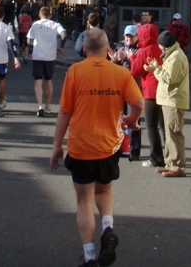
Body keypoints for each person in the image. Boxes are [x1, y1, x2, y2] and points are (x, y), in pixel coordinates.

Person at [50, 28, 144, 267]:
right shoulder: (119, 73)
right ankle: (108, 227)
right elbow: (139, 103)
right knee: (104, 192)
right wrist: (132, 120)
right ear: (107, 49)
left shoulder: (75, 72)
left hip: (81, 146)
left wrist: (56, 145)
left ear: (84, 48)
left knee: (84, 201)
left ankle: (90, 256)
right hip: (108, 146)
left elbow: (65, 111)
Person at [144, 31, 190, 177]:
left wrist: (155, 69)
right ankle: (170, 163)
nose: (160, 49)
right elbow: (168, 73)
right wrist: (157, 66)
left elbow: (169, 78)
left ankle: (177, 166)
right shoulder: (173, 54)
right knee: (169, 133)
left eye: (161, 47)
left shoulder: (176, 57)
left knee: (174, 133)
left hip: (174, 100)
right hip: (169, 99)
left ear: (166, 46)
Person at [129, 10, 164, 169]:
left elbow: (135, 71)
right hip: (163, 88)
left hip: (150, 91)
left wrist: (132, 57)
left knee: (151, 125)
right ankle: (169, 154)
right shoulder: (160, 48)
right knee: (164, 126)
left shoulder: (144, 50)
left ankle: (156, 157)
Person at [27, 6, 67, 117]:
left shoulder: (35, 25)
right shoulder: (55, 24)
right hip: (50, 56)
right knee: (48, 80)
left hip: (38, 56)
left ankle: (40, 105)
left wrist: (34, 45)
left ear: (40, 15)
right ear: (50, 15)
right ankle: (48, 106)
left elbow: (29, 40)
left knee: (38, 81)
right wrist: (61, 47)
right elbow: (64, 34)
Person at [111, 25, 142, 161]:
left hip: (134, 90)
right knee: (120, 119)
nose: (129, 39)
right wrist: (115, 58)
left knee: (133, 119)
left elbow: (139, 69)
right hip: (120, 89)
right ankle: (120, 147)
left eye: (131, 36)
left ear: (137, 37)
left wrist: (130, 59)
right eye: (127, 36)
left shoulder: (140, 51)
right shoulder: (121, 49)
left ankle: (134, 150)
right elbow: (114, 66)